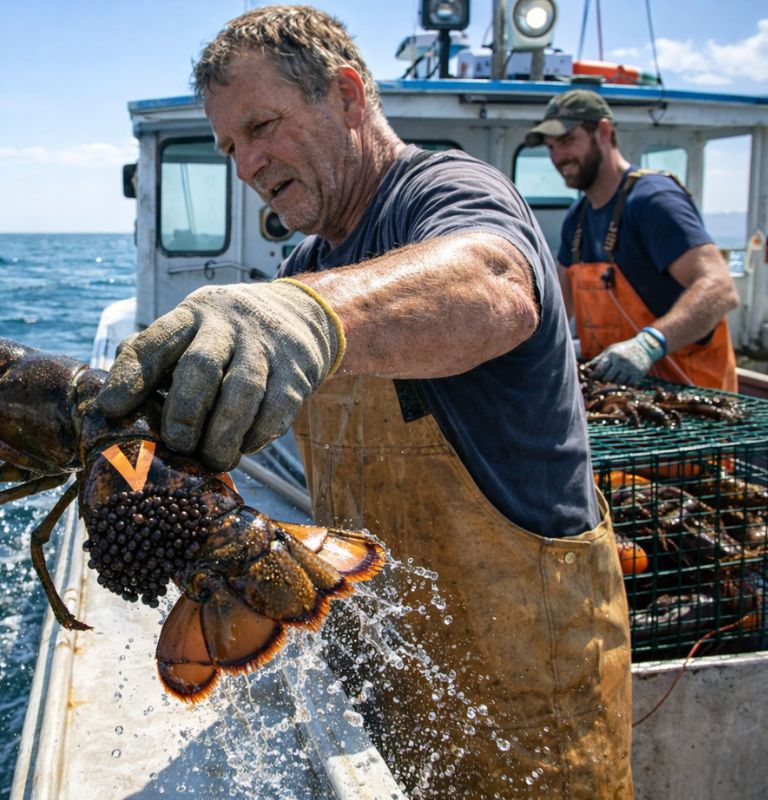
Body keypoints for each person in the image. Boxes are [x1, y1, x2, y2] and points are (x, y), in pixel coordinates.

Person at [96, 5, 632, 798]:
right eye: (230, 147)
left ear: (347, 95)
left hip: (527, 674)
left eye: (262, 125)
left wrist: (306, 316)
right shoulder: (308, 258)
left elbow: (495, 283)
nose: (246, 164)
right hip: (396, 676)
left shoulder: (447, 192)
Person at [526, 88, 740, 390]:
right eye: (550, 147)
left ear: (602, 131)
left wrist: (648, 345)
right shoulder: (577, 220)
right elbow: (555, 309)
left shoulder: (653, 200)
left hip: (693, 403)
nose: (558, 157)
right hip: (621, 400)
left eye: (566, 141)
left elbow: (720, 288)